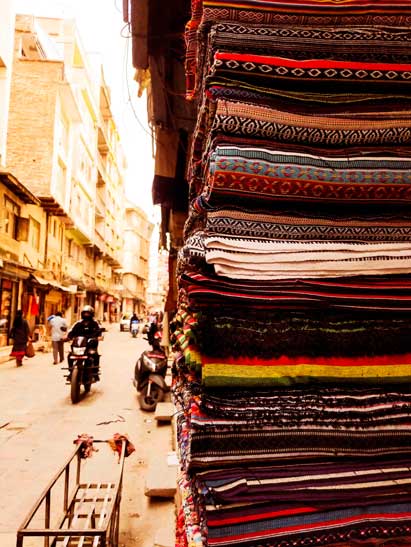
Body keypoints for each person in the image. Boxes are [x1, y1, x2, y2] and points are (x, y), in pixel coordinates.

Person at [66, 305, 102, 377]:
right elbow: (71, 332)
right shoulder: (78, 323)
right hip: (79, 345)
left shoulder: (95, 323)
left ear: (91, 314)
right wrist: (67, 337)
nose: (86, 315)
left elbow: (100, 332)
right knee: (70, 355)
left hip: (90, 345)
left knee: (95, 355)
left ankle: (95, 372)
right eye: (85, 313)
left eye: (88, 313)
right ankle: (71, 371)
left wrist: (99, 337)